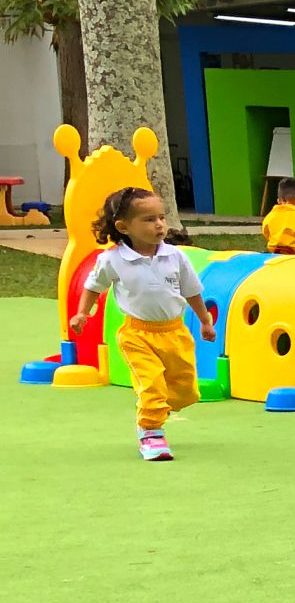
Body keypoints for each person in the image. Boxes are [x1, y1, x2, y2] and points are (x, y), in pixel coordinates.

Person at [68, 186, 216, 463]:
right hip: (137, 334)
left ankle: (157, 409)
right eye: (149, 219)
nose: (159, 224)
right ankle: (150, 431)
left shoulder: (176, 256)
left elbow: (192, 292)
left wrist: (205, 322)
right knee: (152, 385)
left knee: (186, 393)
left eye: (161, 217)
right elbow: (93, 286)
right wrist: (82, 314)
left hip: (175, 332)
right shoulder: (112, 259)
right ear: (124, 227)